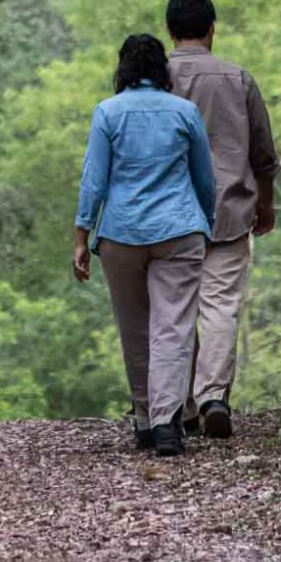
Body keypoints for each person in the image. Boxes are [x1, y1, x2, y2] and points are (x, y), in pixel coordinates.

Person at [73, 33, 216, 457]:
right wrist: (204, 223)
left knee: (134, 328)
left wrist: (82, 233)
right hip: (178, 230)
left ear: (123, 70)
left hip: (121, 234)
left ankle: (143, 420)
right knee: (172, 328)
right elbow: (204, 178)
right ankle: (167, 422)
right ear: (162, 70)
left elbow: (94, 179)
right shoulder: (185, 112)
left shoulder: (107, 112)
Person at [165, 0, 280, 439]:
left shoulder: (157, 80)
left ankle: (184, 403)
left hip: (170, 214)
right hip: (230, 208)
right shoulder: (238, 79)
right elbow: (262, 150)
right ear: (212, 28)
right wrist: (265, 203)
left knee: (175, 307)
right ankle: (214, 395)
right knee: (220, 306)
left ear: (170, 32)